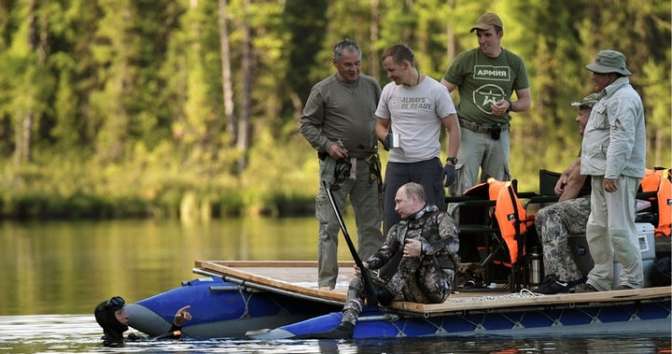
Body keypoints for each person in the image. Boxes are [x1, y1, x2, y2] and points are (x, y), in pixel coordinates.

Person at [317, 182, 459, 338]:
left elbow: (453, 244)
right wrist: (366, 265)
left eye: (399, 201)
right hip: (407, 288)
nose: (395, 208)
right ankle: (346, 325)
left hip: (437, 288)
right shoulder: (399, 228)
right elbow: (384, 253)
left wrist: (424, 248)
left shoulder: (441, 218)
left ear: (413, 199)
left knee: (413, 251)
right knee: (361, 278)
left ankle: (386, 294)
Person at [300, 39, 384, 290]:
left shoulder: (372, 86)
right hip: (337, 168)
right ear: (335, 63)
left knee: (371, 227)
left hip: (368, 165)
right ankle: (326, 285)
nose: (353, 69)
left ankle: (369, 281)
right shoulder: (322, 90)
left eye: (357, 64)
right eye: (347, 65)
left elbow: (383, 119)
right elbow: (306, 125)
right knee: (329, 226)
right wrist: (327, 145)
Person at [577, 49, 646, 292]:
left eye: (598, 72)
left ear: (611, 74)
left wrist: (612, 173)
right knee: (596, 228)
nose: (593, 76)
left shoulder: (624, 98)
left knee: (619, 228)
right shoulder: (608, 96)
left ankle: (632, 280)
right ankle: (599, 278)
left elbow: (622, 139)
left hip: (617, 175)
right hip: (602, 174)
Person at [441, 12, 531, 197]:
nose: (482, 40)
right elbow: (440, 92)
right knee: (461, 189)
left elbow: (526, 102)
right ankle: (458, 226)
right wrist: (449, 118)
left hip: (499, 135)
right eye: (479, 35)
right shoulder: (466, 59)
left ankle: (494, 226)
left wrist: (509, 105)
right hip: (468, 133)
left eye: (487, 35)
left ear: (500, 35)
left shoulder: (514, 63)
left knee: (499, 191)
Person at [375, 44, 460, 233]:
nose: (389, 75)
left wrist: (451, 163)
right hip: (397, 166)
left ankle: (431, 262)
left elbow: (453, 128)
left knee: (431, 222)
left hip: (427, 166)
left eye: (391, 70)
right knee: (392, 222)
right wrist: (385, 137)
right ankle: (391, 263)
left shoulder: (436, 90)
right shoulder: (389, 91)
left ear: (405, 65)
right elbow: (379, 125)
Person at [533, 93, 599, 294]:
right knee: (541, 217)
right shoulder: (590, 138)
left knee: (550, 215)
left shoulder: (596, 137)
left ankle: (566, 279)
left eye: (582, 113)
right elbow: (578, 165)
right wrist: (567, 170)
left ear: (595, 115)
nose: (577, 118)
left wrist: (557, 206)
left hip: (602, 202)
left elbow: (578, 178)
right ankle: (556, 275)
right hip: (593, 201)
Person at [94, 296, 192, 347]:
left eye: (124, 311)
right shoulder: (113, 345)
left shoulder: (121, 341)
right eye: (120, 313)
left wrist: (176, 325)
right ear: (110, 321)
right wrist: (177, 326)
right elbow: (167, 339)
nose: (126, 316)